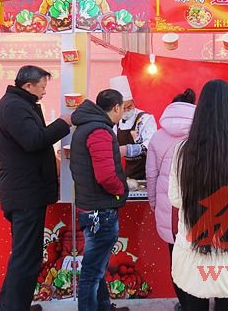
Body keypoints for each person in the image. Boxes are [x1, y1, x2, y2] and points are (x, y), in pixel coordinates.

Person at [168, 79, 228, 311]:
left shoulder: (183, 150)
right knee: (227, 304)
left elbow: (176, 198)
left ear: (201, 109)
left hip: (194, 247)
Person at [0, 65, 72, 311]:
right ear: (28, 85)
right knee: (26, 256)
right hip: (25, 192)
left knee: (25, 254)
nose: (44, 92)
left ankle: (14, 305)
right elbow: (33, 140)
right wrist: (62, 123)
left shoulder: (19, 104)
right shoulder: (14, 107)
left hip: (27, 191)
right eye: (42, 87)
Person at [70, 89, 130, 311]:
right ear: (116, 107)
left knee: (97, 266)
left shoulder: (88, 126)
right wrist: (120, 190)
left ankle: (103, 306)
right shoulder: (99, 130)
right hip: (100, 210)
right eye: (123, 108)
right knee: (92, 271)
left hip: (92, 206)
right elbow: (105, 176)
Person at [146, 87, 196, 311]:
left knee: (176, 260)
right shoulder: (201, 135)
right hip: (197, 210)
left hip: (170, 211)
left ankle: (185, 304)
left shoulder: (158, 136)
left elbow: (151, 174)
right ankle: (199, 303)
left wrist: (154, 203)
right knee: (197, 259)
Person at [109, 75, 157, 180]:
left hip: (147, 169)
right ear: (117, 108)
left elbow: (151, 143)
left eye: (129, 107)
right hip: (129, 171)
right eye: (123, 108)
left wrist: (129, 149)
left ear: (134, 103)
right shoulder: (116, 121)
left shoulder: (145, 118)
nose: (126, 111)